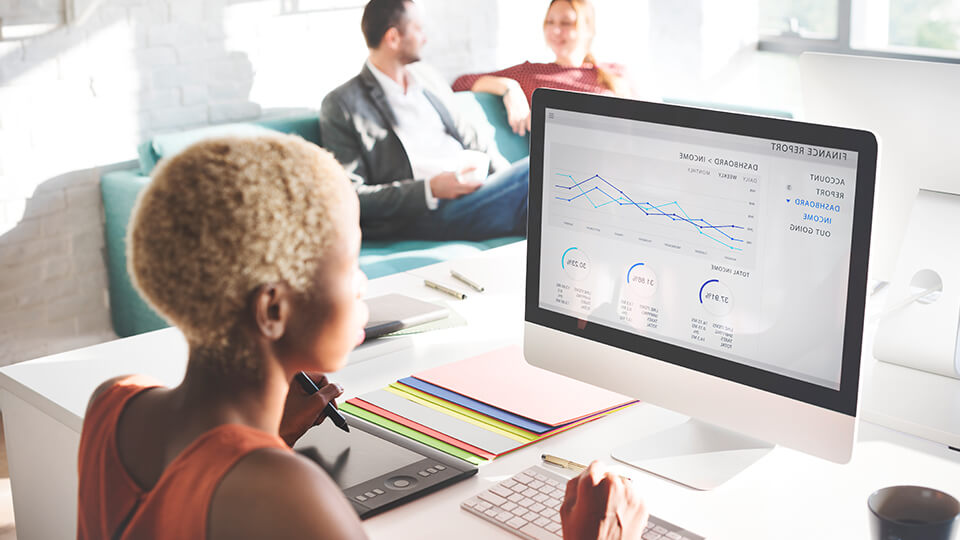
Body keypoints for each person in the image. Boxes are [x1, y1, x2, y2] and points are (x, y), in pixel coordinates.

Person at [76, 134, 648, 539]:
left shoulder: (114, 401)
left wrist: (263, 440)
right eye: (349, 266)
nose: (364, 286)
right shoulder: (284, 495)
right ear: (272, 309)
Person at [320, 0, 529, 242]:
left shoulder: (427, 78)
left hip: (476, 193)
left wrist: (504, 179)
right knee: (539, 172)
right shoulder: (343, 104)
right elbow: (350, 194)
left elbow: (471, 137)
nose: (425, 38)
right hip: (424, 213)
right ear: (393, 38)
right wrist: (430, 189)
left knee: (537, 197)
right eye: (418, 29)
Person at [452, 0, 633, 137]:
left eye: (566, 23)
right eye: (550, 22)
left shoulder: (615, 73)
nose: (555, 31)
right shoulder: (530, 74)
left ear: (588, 29)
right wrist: (509, 88)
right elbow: (462, 83)